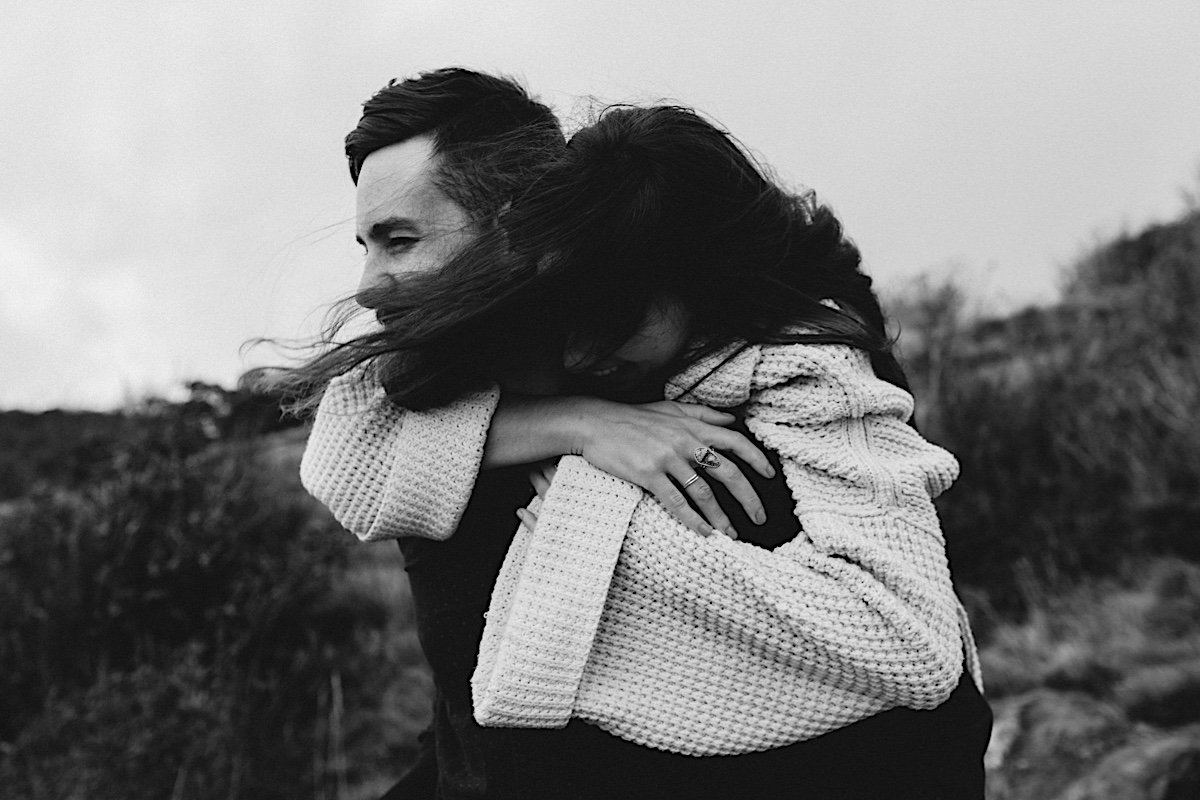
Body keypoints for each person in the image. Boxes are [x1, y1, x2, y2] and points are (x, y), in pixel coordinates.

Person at [300, 101, 993, 798]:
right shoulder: (480, 373)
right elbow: (346, 446)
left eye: (400, 239)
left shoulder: (780, 397)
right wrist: (577, 423)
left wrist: (590, 524)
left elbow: (910, 655)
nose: (577, 349)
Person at [280, 69, 785, 798]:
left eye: (398, 240)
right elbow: (339, 461)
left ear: (516, 225)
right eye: (365, 243)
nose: (366, 282)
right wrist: (581, 426)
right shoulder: (419, 394)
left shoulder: (674, 377)